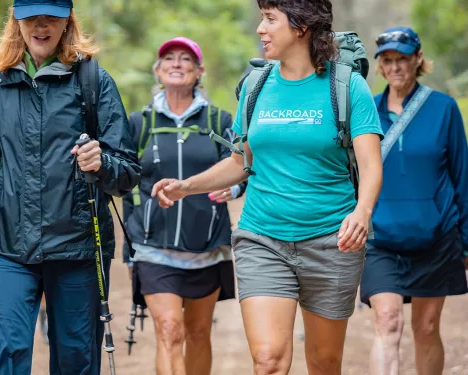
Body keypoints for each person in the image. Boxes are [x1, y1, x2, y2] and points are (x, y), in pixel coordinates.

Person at [152, 1, 384, 374]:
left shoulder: (347, 87)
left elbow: (371, 164)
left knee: (324, 362)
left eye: (270, 19)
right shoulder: (256, 86)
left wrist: (362, 211)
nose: (261, 28)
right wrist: (186, 186)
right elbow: (240, 161)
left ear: (301, 26)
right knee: (268, 360)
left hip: (331, 240)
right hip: (263, 238)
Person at [0, 0, 141, 373]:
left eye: (50, 16)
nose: (40, 25)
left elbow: (128, 170)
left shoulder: (92, 79)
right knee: (7, 351)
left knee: (75, 357)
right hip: (9, 245)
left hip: (78, 246)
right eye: (31, 17)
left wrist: (101, 163)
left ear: (67, 20)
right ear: (15, 21)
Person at [122, 36, 245, 375]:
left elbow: (242, 169)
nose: (177, 64)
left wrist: (233, 190)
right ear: (158, 71)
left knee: (198, 333)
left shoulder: (220, 122)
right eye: (169, 59)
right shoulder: (139, 123)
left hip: (207, 247)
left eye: (186, 59)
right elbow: (127, 185)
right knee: (169, 330)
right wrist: (127, 248)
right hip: (152, 247)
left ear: (199, 71)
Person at [359, 26, 468, 375]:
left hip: (436, 238)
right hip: (381, 238)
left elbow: (461, 175)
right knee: (387, 323)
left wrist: (466, 242)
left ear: (418, 60)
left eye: (402, 59)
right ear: (380, 66)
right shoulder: (367, 112)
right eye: (387, 60)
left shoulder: (443, 109)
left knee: (427, 329)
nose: (394, 67)